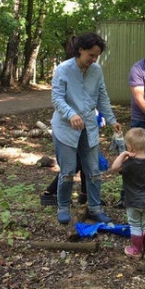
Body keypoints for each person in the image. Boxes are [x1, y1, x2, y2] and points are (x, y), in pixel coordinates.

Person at [50, 33, 122, 225]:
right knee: (68, 170)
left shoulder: (96, 70)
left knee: (93, 169)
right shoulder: (63, 70)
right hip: (65, 127)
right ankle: (63, 206)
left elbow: (102, 96)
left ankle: (95, 208)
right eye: (90, 55)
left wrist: (111, 119)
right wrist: (70, 114)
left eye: (96, 56)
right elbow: (57, 98)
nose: (93, 59)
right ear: (80, 50)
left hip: (89, 125)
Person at [111, 127, 145, 259]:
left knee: (135, 224)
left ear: (130, 147)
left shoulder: (128, 163)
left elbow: (114, 167)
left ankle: (136, 250)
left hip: (133, 201)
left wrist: (123, 154)